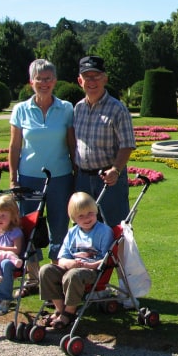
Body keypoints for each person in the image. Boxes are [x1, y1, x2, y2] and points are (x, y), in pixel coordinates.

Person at [8, 59, 75, 296]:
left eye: (48, 78)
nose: (44, 83)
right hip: (29, 178)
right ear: (31, 82)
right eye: (39, 79)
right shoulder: (20, 109)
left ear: (55, 81)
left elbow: (72, 144)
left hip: (60, 177)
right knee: (30, 228)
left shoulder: (66, 108)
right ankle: (34, 278)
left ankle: (55, 278)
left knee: (60, 227)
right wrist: (13, 178)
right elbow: (15, 147)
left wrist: (76, 175)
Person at [74, 55, 136, 227]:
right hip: (83, 179)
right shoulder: (78, 109)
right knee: (84, 229)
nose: (91, 81)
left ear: (105, 79)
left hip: (109, 178)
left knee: (116, 227)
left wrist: (115, 170)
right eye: (87, 77)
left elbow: (127, 144)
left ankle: (120, 255)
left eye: (96, 76)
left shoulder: (117, 109)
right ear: (80, 81)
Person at [38, 192, 114, 330]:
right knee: (45, 270)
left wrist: (88, 265)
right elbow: (62, 258)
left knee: (72, 275)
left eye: (90, 213)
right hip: (73, 266)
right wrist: (69, 264)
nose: (87, 218)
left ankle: (70, 312)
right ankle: (60, 309)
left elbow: (106, 259)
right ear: (74, 218)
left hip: (92, 269)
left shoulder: (104, 231)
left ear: (96, 211)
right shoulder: (73, 232)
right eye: (81, 216)